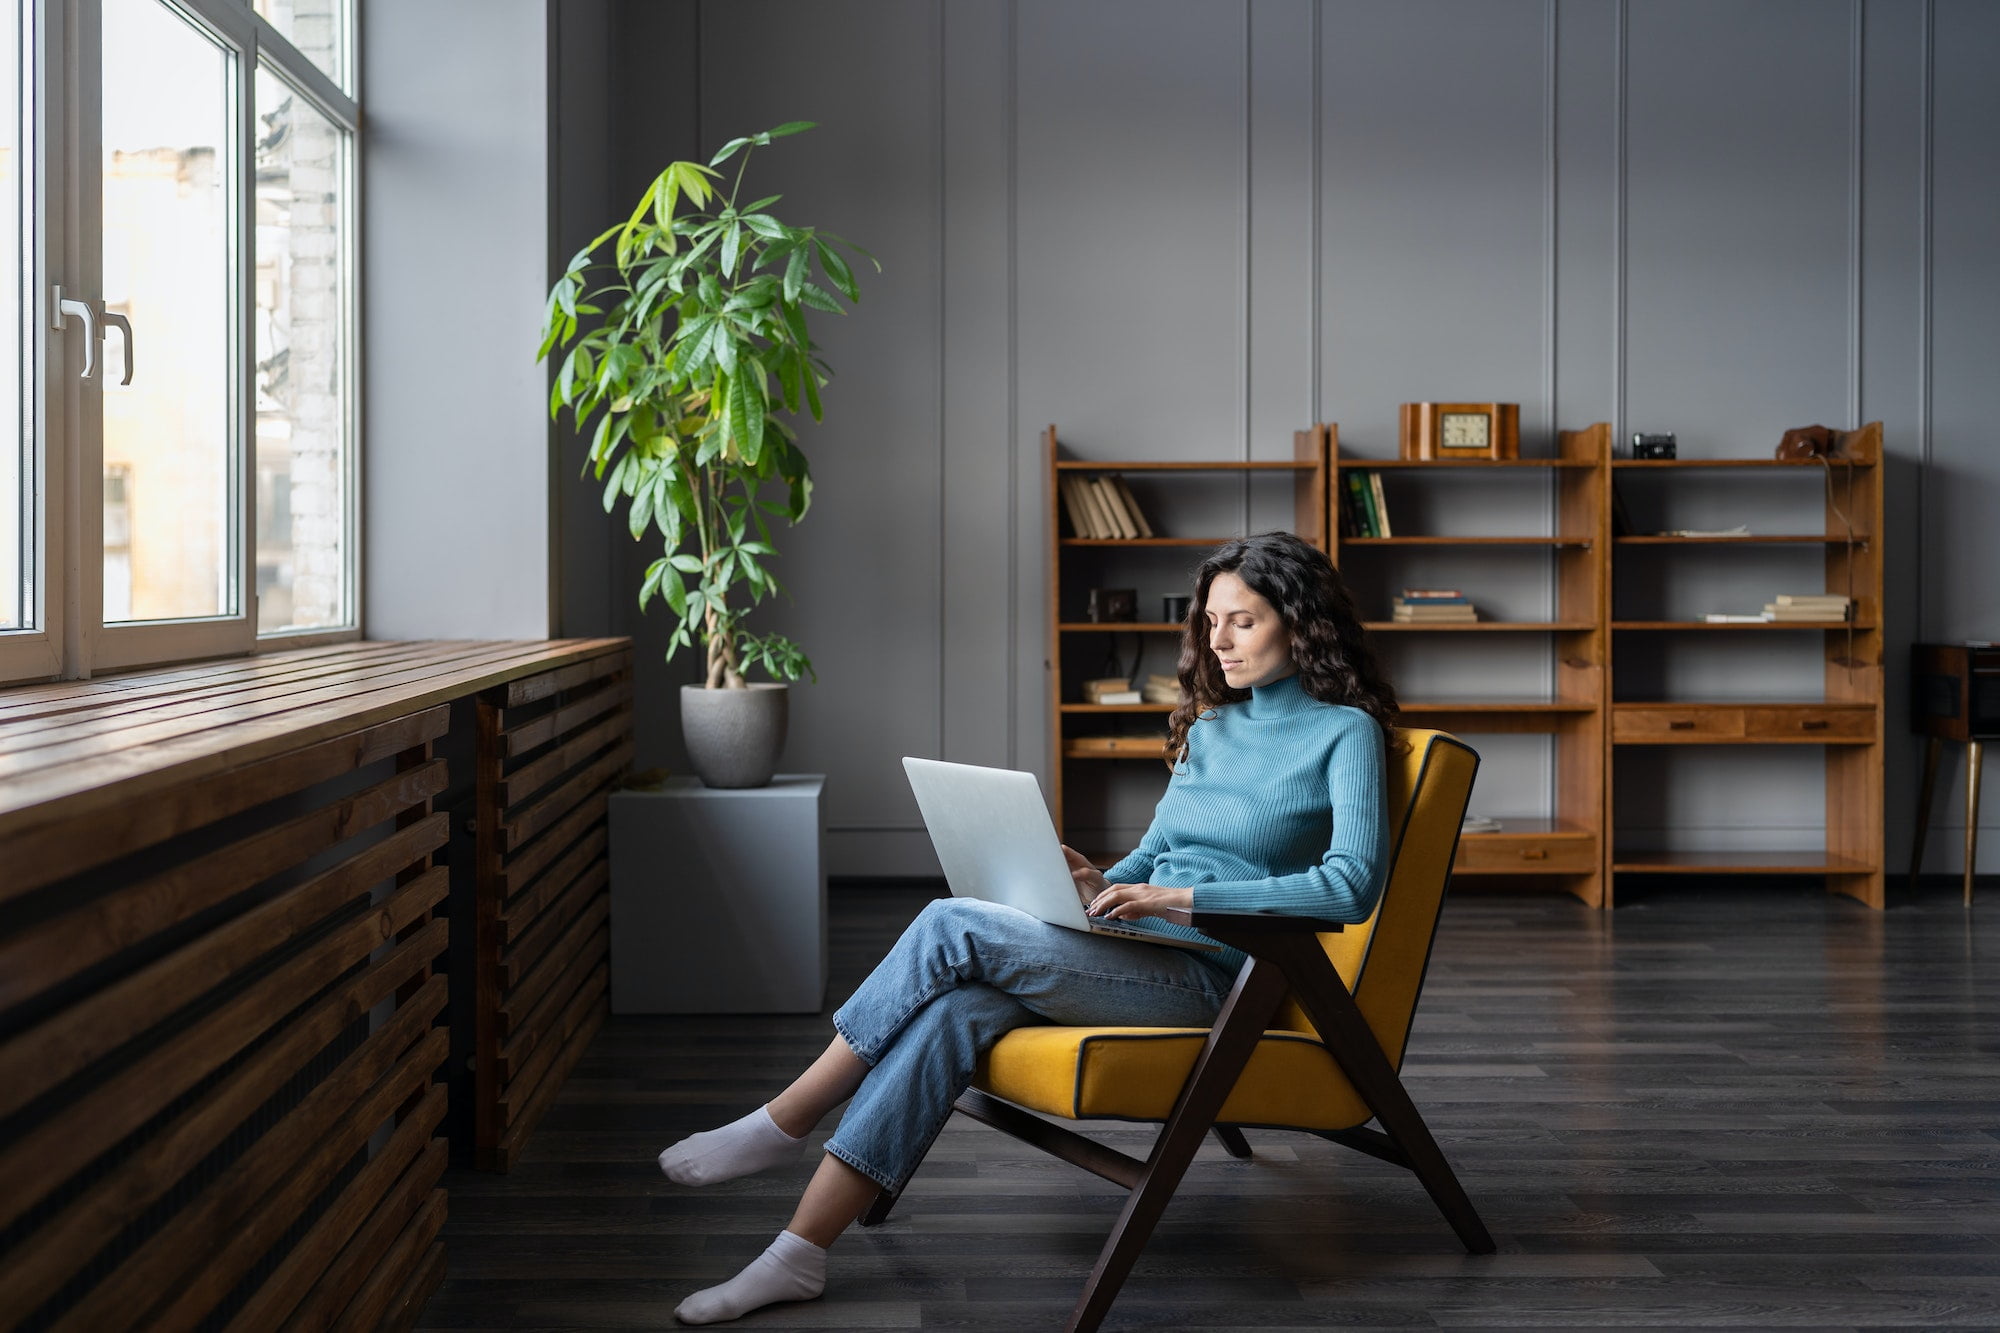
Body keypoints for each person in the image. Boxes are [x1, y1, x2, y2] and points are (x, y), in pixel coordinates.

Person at [660, 530, 1399, 1324]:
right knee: (953, 1010)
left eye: (1242, 621)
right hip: (1136, 945)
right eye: (1210, 619)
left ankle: (786, 1118)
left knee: (952, 924)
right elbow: (1157, 852)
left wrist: (1173, 900)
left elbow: (1348, 886)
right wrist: (1100, 881)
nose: (1216, 641)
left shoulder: (1342, 733)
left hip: (1212, 976)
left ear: (1299, 621)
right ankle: (796, 1254)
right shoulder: (1211, 729)